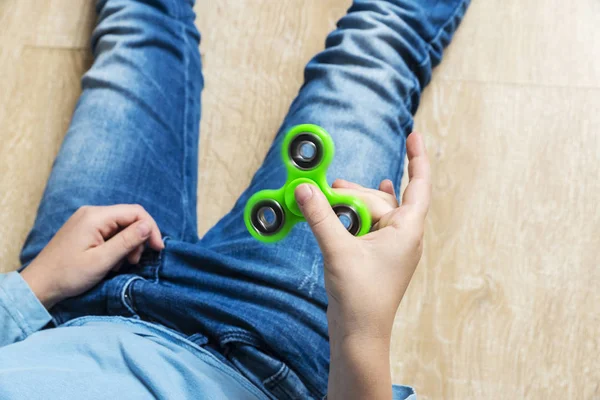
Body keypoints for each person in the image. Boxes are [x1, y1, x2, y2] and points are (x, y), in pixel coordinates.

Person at [0, 0, 469, 398]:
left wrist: (30, 289)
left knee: (135, 22)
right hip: (266, 350)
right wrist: (362, 331)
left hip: (71, 299)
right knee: (376, 51)